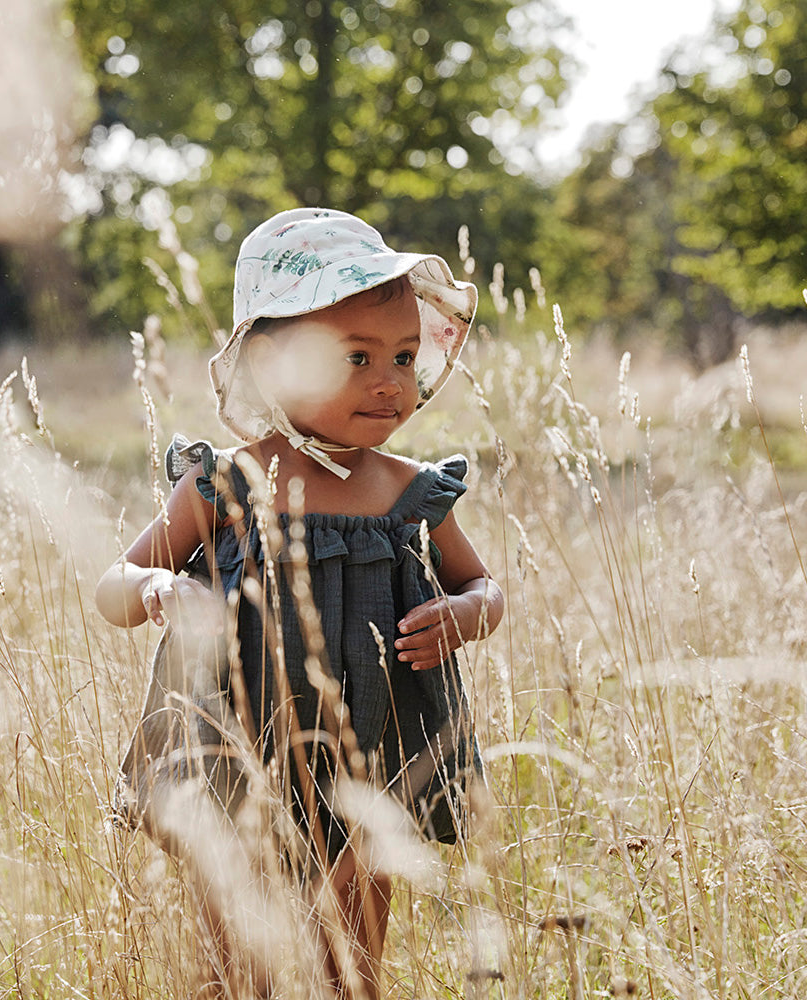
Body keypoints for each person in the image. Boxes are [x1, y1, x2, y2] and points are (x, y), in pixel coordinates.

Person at [96, 207, 504, 999]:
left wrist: (463, 618)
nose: (390, 379)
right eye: (356, 355)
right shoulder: (224, 484)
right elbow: (115, 585)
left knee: (351, 967)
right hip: (235, 752)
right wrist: (155, 589)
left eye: (405, 354)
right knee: (232, 966)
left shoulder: (409, 490)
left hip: (370, 757)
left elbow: (483, 589)